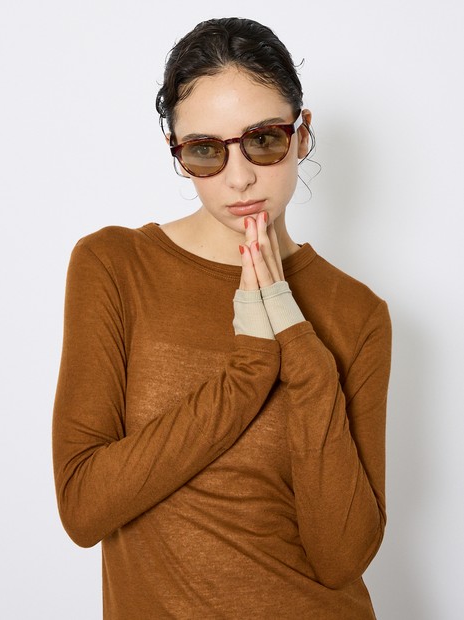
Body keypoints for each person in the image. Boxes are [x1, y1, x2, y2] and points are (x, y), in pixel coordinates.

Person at [52, 16, 392, 619]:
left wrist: (301, 347)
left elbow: (341, 557)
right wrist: (249, 371)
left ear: (302, 134)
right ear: (179, 154)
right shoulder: (115, 267)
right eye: (206, 151)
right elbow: (84, 508)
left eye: (263, 140)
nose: (240, 178)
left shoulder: (357, 313)